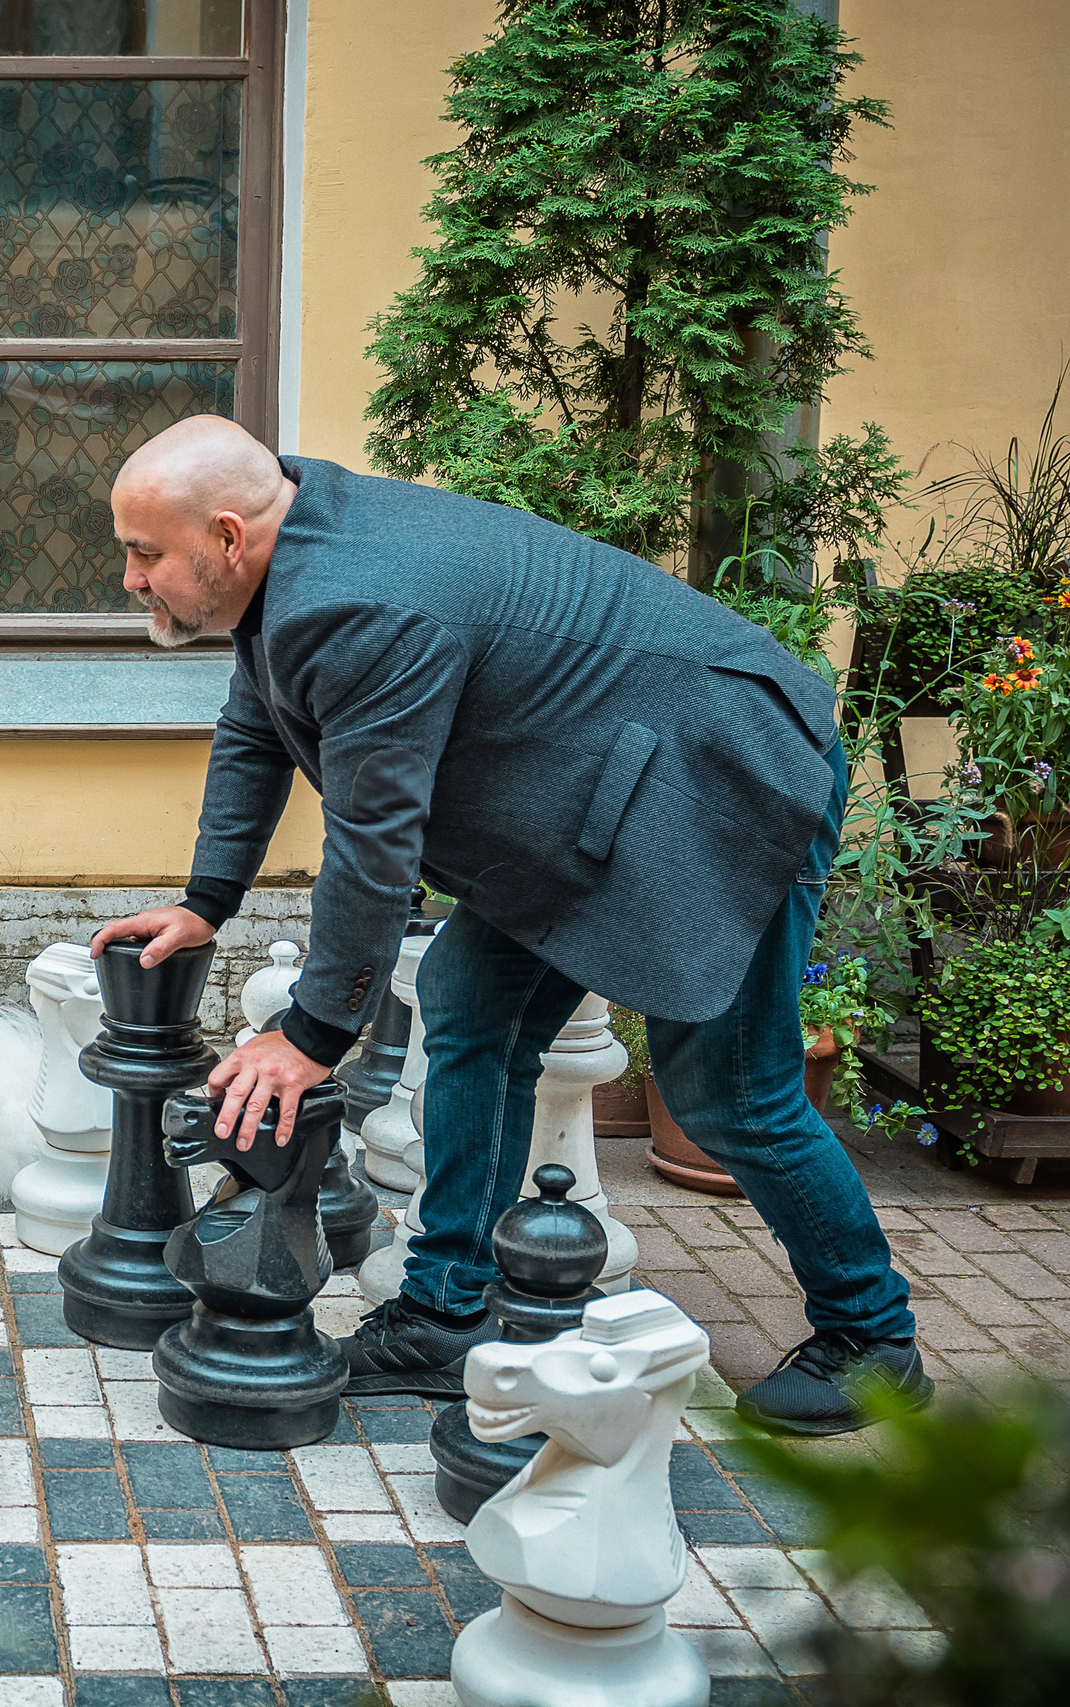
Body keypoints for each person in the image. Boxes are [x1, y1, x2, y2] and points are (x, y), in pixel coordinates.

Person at [89, 416, 925, 1437]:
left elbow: (373, 842)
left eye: (144, 552)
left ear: (226, 536)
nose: (130, 578)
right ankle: (446, 1315)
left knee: (730, 1094)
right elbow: (257, 724)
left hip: (724, 777)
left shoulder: (357, 602)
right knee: (470, 1003)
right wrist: (205, 901)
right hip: (602, 788)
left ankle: (873, 1339)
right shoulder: (289, 551)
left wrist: (311, 1034)